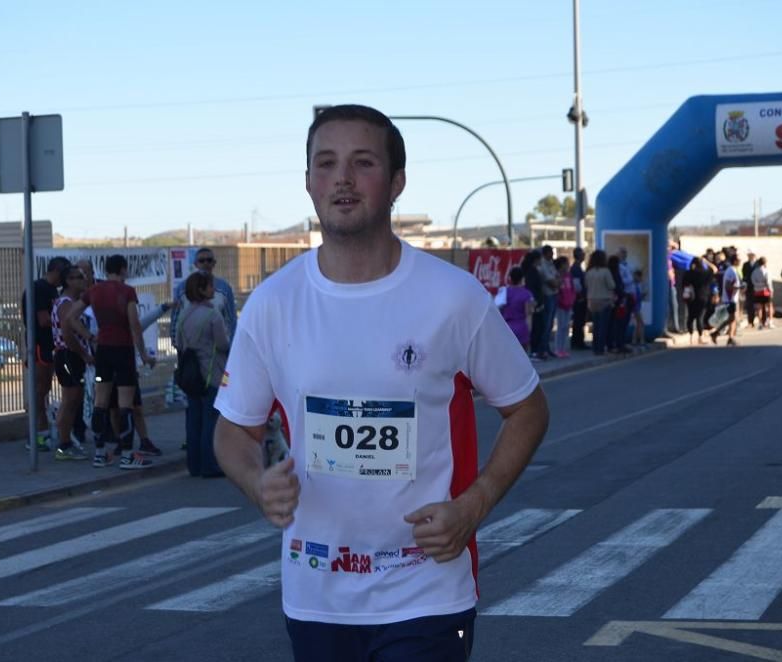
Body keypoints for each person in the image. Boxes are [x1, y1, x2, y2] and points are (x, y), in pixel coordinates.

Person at [214, 104, 548, 662]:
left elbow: (529, 408)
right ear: (307, 183)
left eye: (362, 162)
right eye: (326, 163)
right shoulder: (273, 303)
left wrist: (474, 506)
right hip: (317, 594)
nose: (341, 178)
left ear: (396, 183)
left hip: (427, 591)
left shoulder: (453, 298)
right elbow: (232, 431)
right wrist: (256, 482)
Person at [69, 254, 156, 469]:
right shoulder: (127, 292)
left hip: (103, 351)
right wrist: (144, 355)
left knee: (101, 402)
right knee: (126, 403)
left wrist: (89, 336)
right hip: (123, 350)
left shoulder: (94, 291)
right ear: (123, 270)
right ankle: (127, 455)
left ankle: (100, 454)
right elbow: (134, 325)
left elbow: (70, 317)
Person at [176, 271, 229, 477]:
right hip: (211, 373)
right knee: (211, 421)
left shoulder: (183, 315)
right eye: (209, 286)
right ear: (201, 289)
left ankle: (194, 464)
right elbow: (223, 344)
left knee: (193, 420)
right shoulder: (212, 314)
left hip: (190, 375)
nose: (213, 290)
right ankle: (209, 464)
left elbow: (179, 344)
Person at [21, 256, 70, 451]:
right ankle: (37, 434)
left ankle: (42, 430)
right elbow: (43, 320)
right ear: (57, 271)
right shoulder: (38, 289)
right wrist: (68, 320)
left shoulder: (51, 290)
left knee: (45, 389)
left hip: (50, 345)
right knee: (40, 390)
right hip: (40, 345)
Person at [51, 265, 95, 460]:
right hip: (68, 355)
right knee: (69, 400)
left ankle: (66, 440)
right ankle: (63, 444)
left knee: (75, 399)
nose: (82, 280)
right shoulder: (66, 304)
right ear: (68, 281)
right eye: (78, 277)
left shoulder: (73, 302)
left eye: (83, 276)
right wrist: (85, 354)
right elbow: (68, 335)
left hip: (71, 355)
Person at [171, 247, 237, 349]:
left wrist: (231, 346)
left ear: (214, 263)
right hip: (189, 352)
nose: (205, 263)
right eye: (201, 260)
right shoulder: (182, 288)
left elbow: (231, 319)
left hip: (215, 352)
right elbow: (175, 318)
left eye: (209, 260)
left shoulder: (224, 288)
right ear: (196, 264)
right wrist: (177, 345)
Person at [584, 249, 615, 355]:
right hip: (604, 300)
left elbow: (586, 285)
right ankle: (600, 348)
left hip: (592, 301)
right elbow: (611, 285)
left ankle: (595, 347)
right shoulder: (605, 271)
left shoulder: (589, 272)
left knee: (596, 325)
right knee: (603, 326)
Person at [498, 266, 534, 353]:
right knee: (523, 357)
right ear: (522, 278)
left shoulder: (504, 292)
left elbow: (498, 310)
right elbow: (528, 314)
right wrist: (529, 331)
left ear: (510, 278)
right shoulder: (527, 294)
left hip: (507, 328)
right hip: (521, 328)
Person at [710, 255, 742, 347]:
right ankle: (723, 335)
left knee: (731, 319)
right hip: (730, 299)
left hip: (733, 298)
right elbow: (728, 285)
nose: (740, 261)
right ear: (735, 261)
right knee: (732, 319)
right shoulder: (731, 271)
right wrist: (739, 287)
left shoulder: (734, 270)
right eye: (739, 260)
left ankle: (727, 337)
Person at [521, 249, 547, 360]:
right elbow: (532, 289)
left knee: (538, 327)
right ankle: (534, 351)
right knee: (537, 328)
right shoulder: (532, 272)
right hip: (535, 305)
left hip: (537, 303)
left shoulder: (533, 270)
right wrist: (536, 303)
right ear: (536, 260)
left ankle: (536, 350)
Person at [681, 256, 712, 344]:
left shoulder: (688, 273)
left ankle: (691, 336)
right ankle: (700, 337)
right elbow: (714, 269)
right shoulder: (704, 273)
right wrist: (707, 262)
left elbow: (684, 285)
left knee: (690, 316)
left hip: (691, 298)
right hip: (703, 297)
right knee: (700, 317)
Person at [538, 245, 559, 358]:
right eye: (551, 252)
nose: (552, 255)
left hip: (554, 294)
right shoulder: (543, 265)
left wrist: (557, 281)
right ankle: (542, 349)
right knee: (546, 324)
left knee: (550, 324)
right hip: (547, 295)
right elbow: (552, 282)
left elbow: (558, 278)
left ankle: (547, 347)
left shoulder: (551, 264)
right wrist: (556, 282)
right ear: (546, 253)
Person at [552, 256, 575, 358]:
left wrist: (572, 299)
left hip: (569, 304)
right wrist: (561, 301)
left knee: (566, 327)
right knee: (560, 327)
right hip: (561, 305)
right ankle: (557, 349)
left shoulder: (569, 276)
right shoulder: (557, 275)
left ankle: (563, 348)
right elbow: (557, 290)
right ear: (561, 265)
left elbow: (573, 289)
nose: (568, 265)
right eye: (566, 263)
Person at [569, 247, 588, 349]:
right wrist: (580, 295)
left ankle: (579, 341)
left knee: (580, 321)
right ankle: (577, 342)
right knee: (578, 321)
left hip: (580, 298)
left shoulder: (579, 267)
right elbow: (576, 284)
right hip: (579, 299)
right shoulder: (576, 268)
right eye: (582, 254)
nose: (584, 255)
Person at [750, 256, 773, 329]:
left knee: (759, 308)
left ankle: (760, 323)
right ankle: (770, 322)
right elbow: (768, 282)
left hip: (757, 291)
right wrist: (771, 290)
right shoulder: (766, 271)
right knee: (769, 306)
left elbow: (753, 281)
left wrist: (757, 286)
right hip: (765, 290)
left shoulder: (754, 272)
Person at [742, 250, 758, 327]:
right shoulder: (745, 264)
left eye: (751, 255)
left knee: (758, 304)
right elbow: (744, 276)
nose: (750, 256)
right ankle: (750, 321)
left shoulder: (758, 264)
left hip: (757, 287)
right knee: (750, 305)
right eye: (749, 255)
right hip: (749, 287)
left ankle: (761, 319)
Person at [631, 268, 646, 347]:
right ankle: (641, 340)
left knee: (637, 324)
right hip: (635, 307)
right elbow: (635, 297)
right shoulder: (634, 286)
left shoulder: (639, 285)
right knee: (641, 323)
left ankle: (634, 340)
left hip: (638, 306)